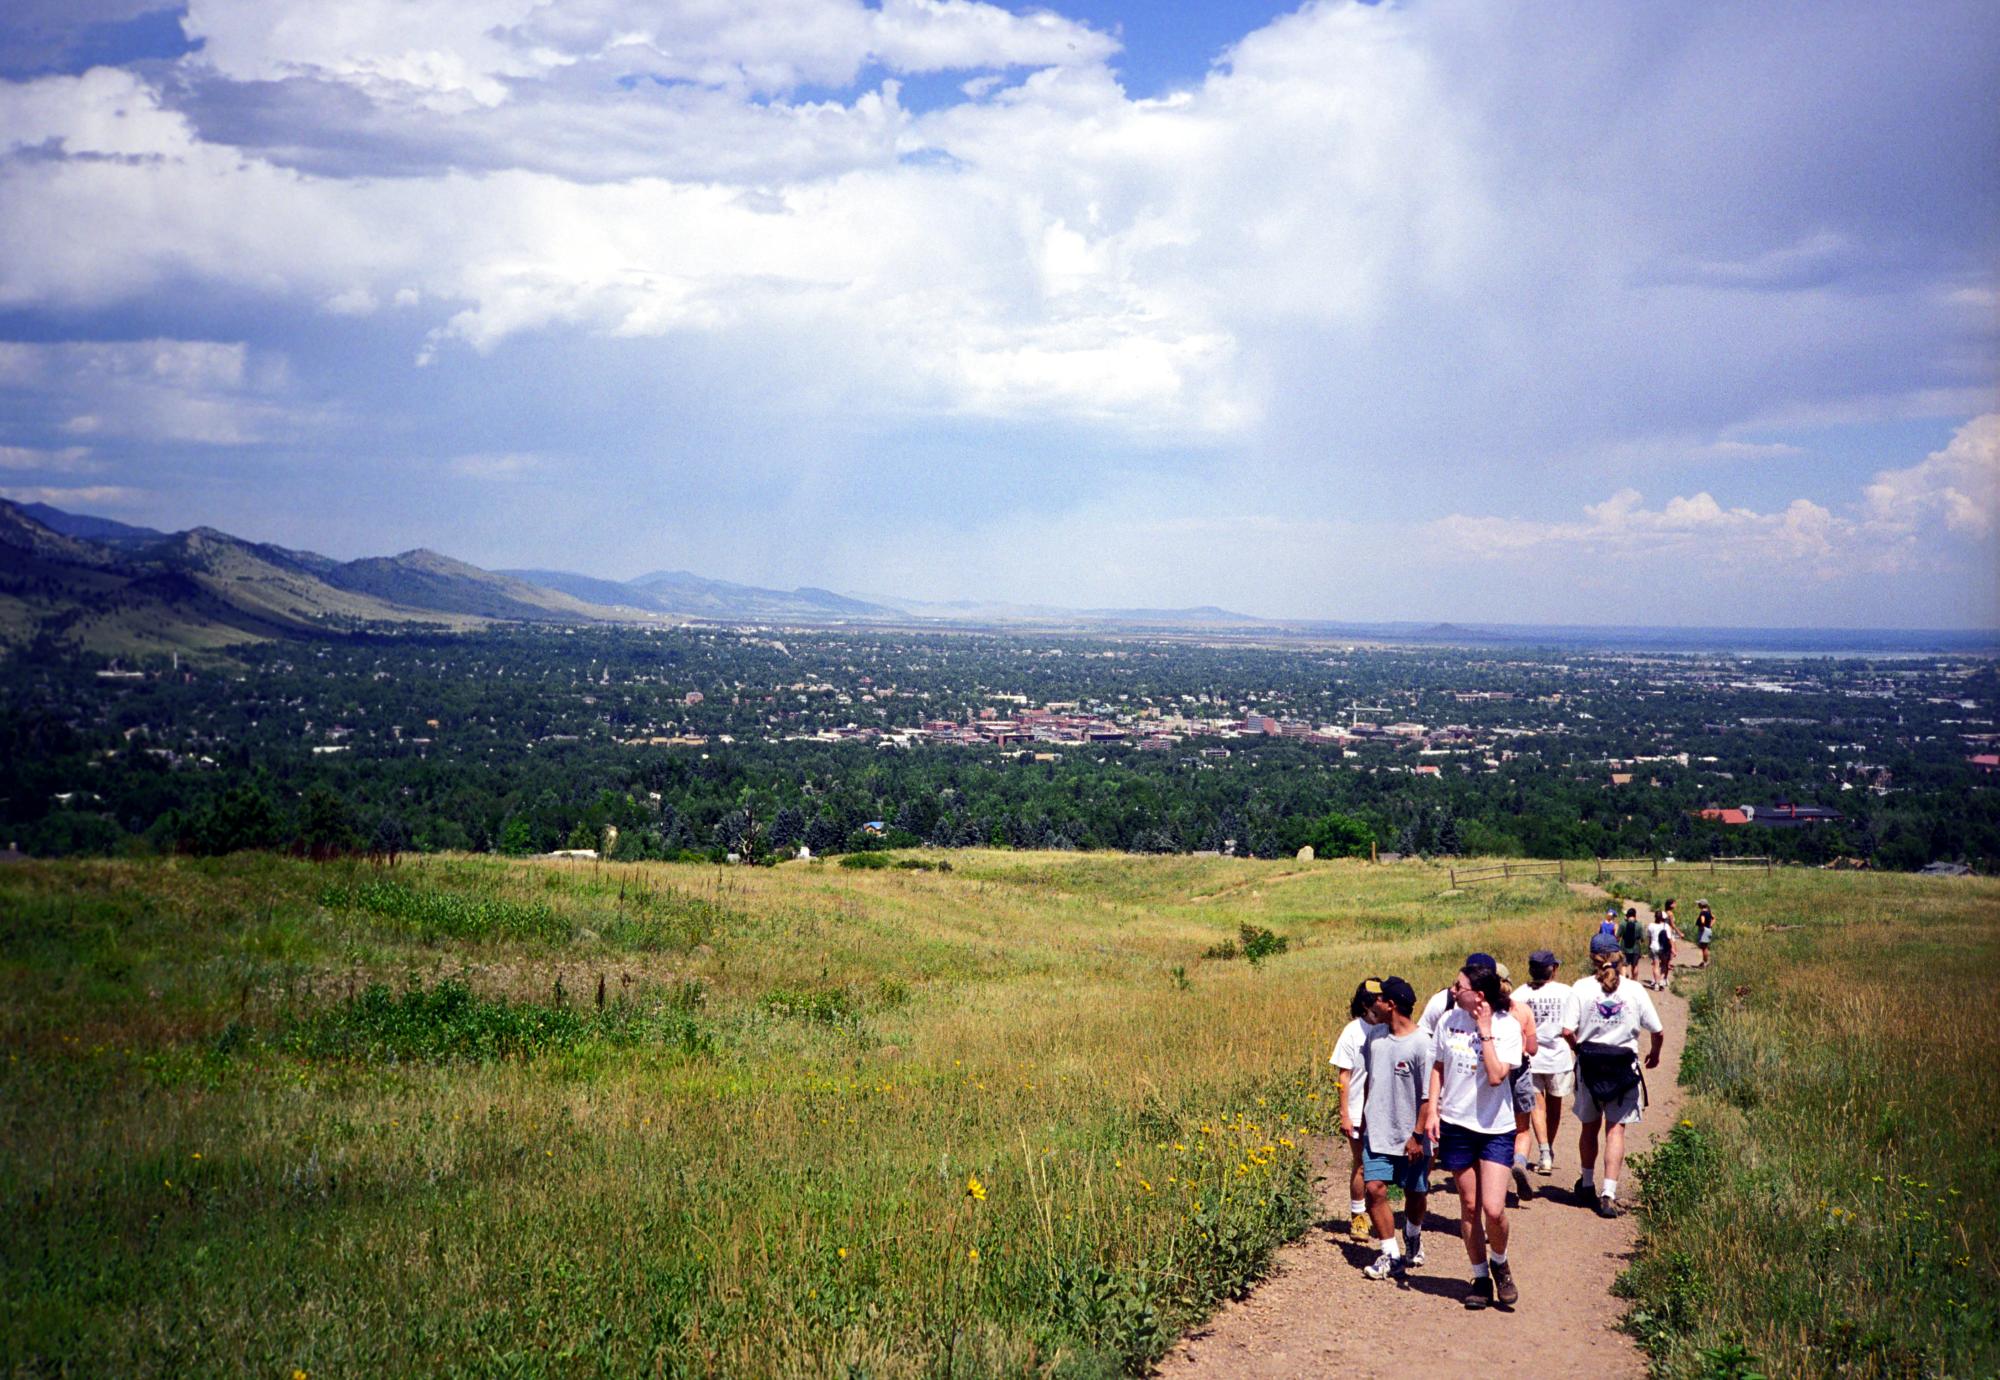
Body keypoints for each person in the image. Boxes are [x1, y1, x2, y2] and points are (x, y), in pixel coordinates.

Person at [1425, 964, 1524, 1309]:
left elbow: (1497, 1076)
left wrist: (1484, 1030)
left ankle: (1500, 1261)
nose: (1453, 991)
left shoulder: (1507, 1027)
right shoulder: (1447, 1021)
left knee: (1493, 1209)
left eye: (1459, 986)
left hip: (1495, 1127)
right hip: (1456, 1124)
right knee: (1469, 1206)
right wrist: (1432, 1111)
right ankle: (1480, 1278)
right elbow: (1438, 1066)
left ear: (1479, 996)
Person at [1572, 932, 1664, 1218]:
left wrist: (1578, 1050)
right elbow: (1657, 1030)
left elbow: (1566, 1030)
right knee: (1615, 1128)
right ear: (1620, 956)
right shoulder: (1634, 990)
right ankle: (1608, 1193)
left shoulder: (1581, 987)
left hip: (1589, 1065)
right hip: (1622, 1067)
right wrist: (1655, 1053)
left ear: (1592, 958)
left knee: (1589, 1126)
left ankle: (1586, 1183)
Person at [1357, 977, 1433, 1279]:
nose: (1373, 1003)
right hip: (1377, 1131)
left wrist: (1417, 1135)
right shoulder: (1374, 1037)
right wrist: (1364, 1117)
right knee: (1374, 1189)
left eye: (1378, 999)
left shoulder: (1422, 1043)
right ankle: (1390, 1254)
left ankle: (1413, 1234)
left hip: (1411, 1136)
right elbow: (1370, 1080)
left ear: (1391, 1005)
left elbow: (1429, 1096)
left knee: (1415, 1193)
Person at [1515, 949, 1580, 1177]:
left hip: (1531, 1057)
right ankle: (1548, 1150)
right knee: (1554, 1107)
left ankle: (1543, 1150)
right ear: (1553, 969)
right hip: (1559, 1057)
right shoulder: (1566, 992)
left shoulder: (1519, 994)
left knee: (1536, 1107)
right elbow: (1573, 1025)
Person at [1331, 978, 1386, 1240]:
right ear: (1365, 1004)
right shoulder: (1353, 1032)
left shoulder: (1389, 1028)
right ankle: (1358, 1219)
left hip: (1385, 1111)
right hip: (1357, 1111)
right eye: (1377, 999)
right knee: (1362, 1164)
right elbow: (1344, 1076)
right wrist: (1345, 1113)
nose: (1382, 1002)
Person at [1494, 961, 1540, 1204]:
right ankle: (1520, 1162)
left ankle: (1495, 1179)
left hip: (1492, 1070)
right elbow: (1532, 1049)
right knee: (1522, 1128)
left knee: (1496, 1127)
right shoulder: (1522, 1010)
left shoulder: (1485, 1013)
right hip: (1519, 1069)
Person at [1618, 907, 1644, 975]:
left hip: (1624, 948)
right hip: (1636, 949)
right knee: (1635, 966)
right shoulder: (1639, 925)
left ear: (1627, 915)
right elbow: (1642, 939)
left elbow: (1618, 936)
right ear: (1635, 915)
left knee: (1624, 965)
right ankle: (1634, 981)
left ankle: (1623, 980)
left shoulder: (1623, 924)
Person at [1694, 900, 1715, 967]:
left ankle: (1705, 962)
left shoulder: (1702, 912)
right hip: (1708, 929)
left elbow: (1702, 921)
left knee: (1704, 947)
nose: (1698, 905)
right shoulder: (1709, 911)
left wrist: (1702, 927)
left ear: (1701, 905)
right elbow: (1714, 918)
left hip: (1704, 930)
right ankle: (1704, 961)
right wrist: (1710, 925)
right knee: (1704, 946)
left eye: (1699, 904)